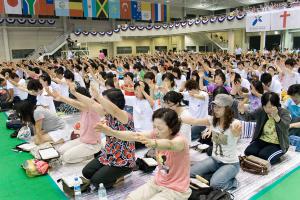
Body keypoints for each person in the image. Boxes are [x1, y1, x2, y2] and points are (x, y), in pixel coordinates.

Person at [95, 108, 192, 200]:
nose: (156, 131)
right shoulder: (156, 133)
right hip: (158, 182)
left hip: (176, 189)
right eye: (154, 127)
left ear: (172, 129)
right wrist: (111, 132)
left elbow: (170, 145)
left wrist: (154, 142)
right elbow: (133, 135)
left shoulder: (180, 141)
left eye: (160, 128)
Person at [82, 87, 135, 189]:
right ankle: (111, 173)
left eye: (105, 102)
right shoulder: (107, 113)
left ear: (113, 103)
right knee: (86, 172)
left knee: (97, 181)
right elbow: (92, 103)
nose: (102, 104)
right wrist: (74, 92)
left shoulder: (124, 115)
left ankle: (120, 176)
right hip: (109, 154)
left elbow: (115, 111)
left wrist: (98, 96)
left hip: (123, 161)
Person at [187, 94, 242, 190]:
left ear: (227, 109)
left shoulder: (234, 123)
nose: (215, 109)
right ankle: (216, 174)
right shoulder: (213, 120)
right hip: (215, 160)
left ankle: (234, 182)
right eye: (214, 106)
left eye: (219, 107)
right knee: (190, 173)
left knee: (215, 185)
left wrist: (237, 127)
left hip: (231, 164)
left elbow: (237, 129)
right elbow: (194, 121)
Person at [46, 84, 102, 164]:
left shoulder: (91, 106)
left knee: (66, 158)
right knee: (60, 151)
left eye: (76, 99)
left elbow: (77, 104)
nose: (75, 102)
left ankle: (90, 156)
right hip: (82, 140)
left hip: (92, 145)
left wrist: (62, 98)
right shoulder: (84, 108)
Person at [239, 92, 291, 165]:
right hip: (263, 139)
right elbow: (249, 117)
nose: (267, 109)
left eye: (270, 107)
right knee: (248, 152)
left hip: (278, 143)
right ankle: (266, 151)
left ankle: (276, 155)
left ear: (276, 105)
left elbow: (285, 127)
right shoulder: (262, 110)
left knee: (264, 157)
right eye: (265, 106)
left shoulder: (284, 113)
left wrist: (276, 117)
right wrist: (242, 112)